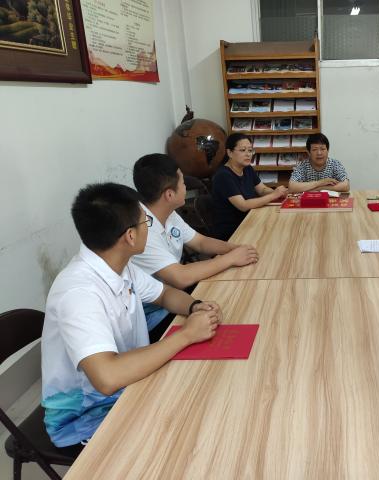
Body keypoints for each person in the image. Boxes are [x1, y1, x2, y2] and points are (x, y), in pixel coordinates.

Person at [41, 183, 222, 448]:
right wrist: (186, 335)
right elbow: (107, 377)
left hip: (132, 380)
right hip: (89, 415)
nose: (149, 227)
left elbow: (164, 294)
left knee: (207, 395)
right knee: (196, 431)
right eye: (145, 221)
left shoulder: (118, 265)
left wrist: (195, 307)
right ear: (130, 236)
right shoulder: (78, 293)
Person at [132, 154, 258, 336]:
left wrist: (235, 249)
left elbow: (200, 242)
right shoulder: (142, 228)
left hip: (173, 297)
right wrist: (230, 259)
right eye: (183, 183)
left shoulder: (167, 212)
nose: (185, 187)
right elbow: (180, 277)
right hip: (153, 318)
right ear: (169, 194)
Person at [211, 133, 288, 240]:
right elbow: (243, 205)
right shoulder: (223, 176)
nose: (248, 154)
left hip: (249, 219)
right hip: (233, 231)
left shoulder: (247, 168)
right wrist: (274, 195)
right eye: (243, 150)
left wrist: (280, 193)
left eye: (250, 150)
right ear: (229, 152)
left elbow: (262, 190)